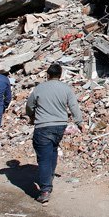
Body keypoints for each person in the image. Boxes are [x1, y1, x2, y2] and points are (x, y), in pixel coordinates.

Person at [25, 63, 85, 203]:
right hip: (60, 126)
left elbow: (29, 106)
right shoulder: (66, 88)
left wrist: (31, 116)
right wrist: (79, 122)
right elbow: (73, 106)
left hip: (43, 126)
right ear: (60, 75)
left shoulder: (39, 88)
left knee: (44, 157)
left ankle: (45, 189)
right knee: (52, 151)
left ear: (48, 75)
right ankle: (49, 177)